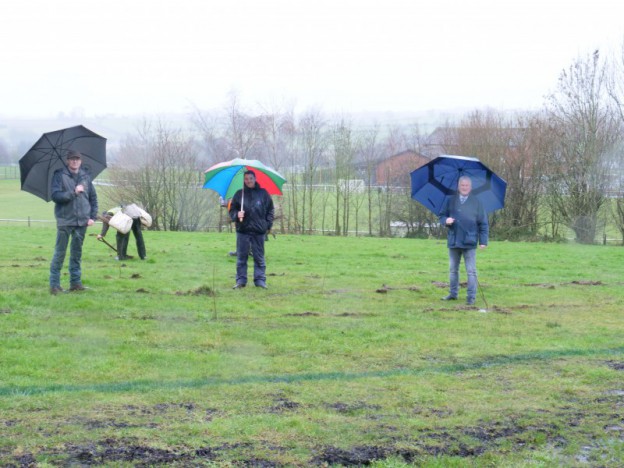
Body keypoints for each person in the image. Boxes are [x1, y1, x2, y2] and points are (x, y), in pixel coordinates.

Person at [49, 150, 98, 294]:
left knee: (77, 254)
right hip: (65, 221)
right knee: (60, 253)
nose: (75, 161)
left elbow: (93, 198)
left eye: (77, 159)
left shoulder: (85, 177)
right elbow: (56, 196)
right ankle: (54, 285)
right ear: (67, 161)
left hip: (82, 222)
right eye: (72, 159)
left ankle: (75, 283)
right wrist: (73, 193)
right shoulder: (59, 175)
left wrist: (92, 217)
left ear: (81, 161)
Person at [438, 176, 489, 306]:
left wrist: (483, 241)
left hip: (470, 241)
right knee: (453, 270)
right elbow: (441, 215)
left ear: (470, 187)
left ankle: (471, 298)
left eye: (466, 185)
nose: (464, 187)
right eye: (462, 185)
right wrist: (445, 221)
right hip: (453, 240)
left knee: (471, 271)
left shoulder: (477, 202)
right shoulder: (450, 200)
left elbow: (483, 223)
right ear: (458, 186)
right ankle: (453, 294)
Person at [228, 170, 274, 289]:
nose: (248, 181)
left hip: (258, 232)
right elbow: (231, 210)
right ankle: (241, 281)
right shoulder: (239, 194)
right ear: (244, 180)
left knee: (259, 257)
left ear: (255, 179)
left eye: (251, 178)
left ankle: (260, 281)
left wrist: (267, 225)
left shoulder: (263, 194)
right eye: (246, 179)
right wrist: (237, 215)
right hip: (243, 231)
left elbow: (270, 210)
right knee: (241, 257)